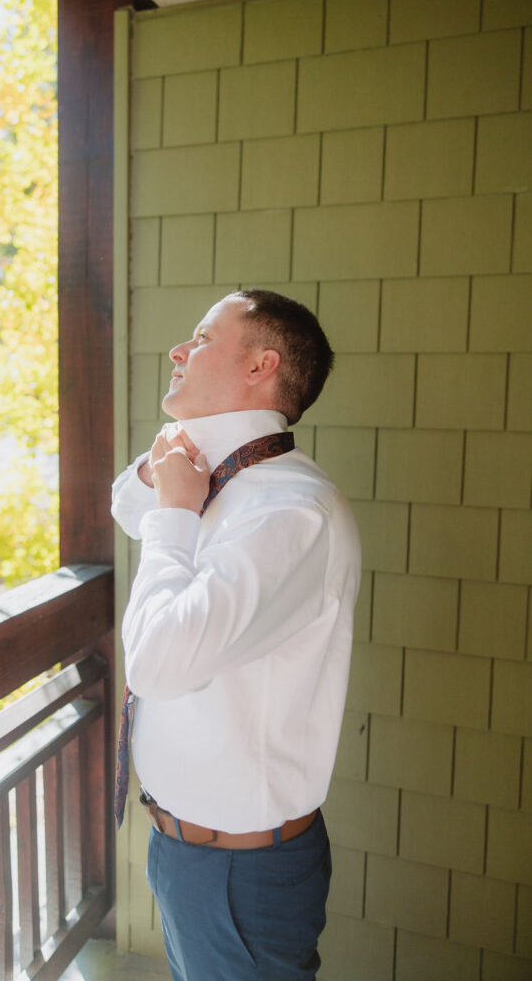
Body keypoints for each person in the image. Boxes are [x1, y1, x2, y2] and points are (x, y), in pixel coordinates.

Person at [111, 289, 361, 981]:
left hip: (237, 873)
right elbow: (126, 501)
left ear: (260, 366)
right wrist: (174, 476)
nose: (177, 351)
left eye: (200, 337)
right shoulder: (229, 482)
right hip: (189, 853)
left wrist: (175, 518)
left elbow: (158, 665)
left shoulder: (287, 511)